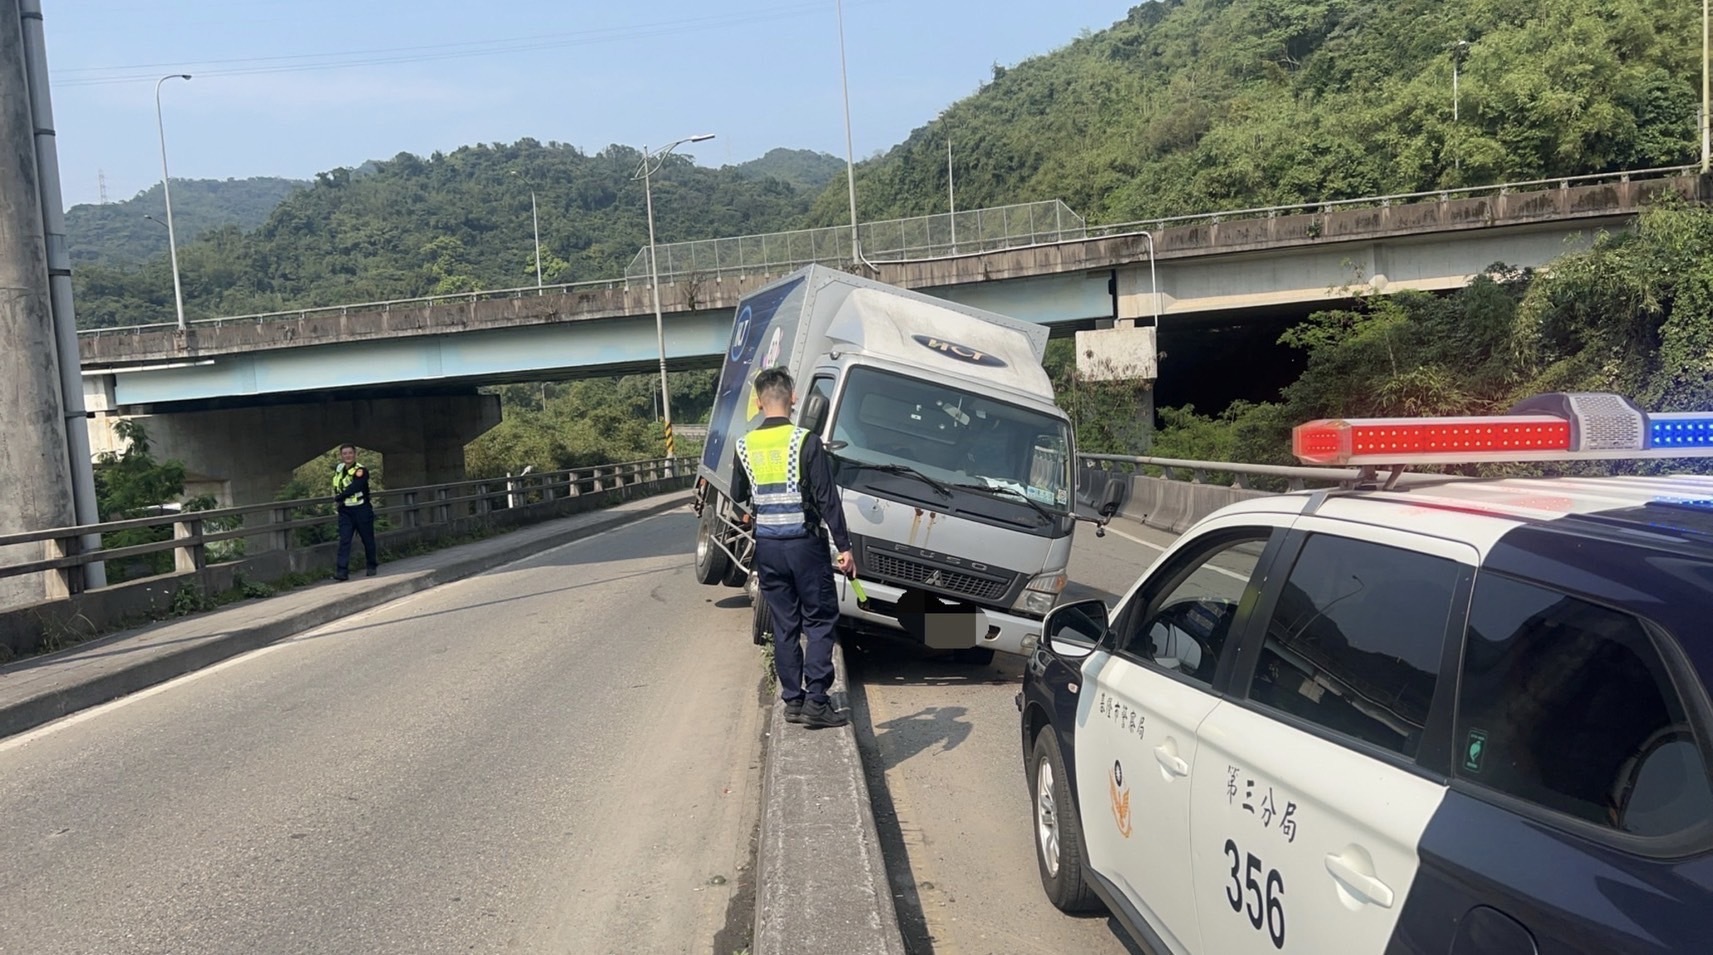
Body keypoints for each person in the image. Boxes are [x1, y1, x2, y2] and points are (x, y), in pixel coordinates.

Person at [731, 367, 856, 729]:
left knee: (785, 625)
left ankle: (793, 701)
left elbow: (740, 494)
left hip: (768, 548)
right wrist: (845, 547)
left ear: (758, 401)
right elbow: (827, 499)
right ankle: (817, 700)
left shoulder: (744, 444)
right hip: (805, 546)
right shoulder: (806, 441)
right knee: (818, 620)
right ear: (794, 397)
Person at [331, 444, 378, 581]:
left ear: (355, 454)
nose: (347, 456)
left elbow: (356, 486)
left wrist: (340, 496)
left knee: (367, 539)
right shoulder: (339, 468)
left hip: (361, 508)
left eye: (350, 453)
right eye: (344, 453)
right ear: (341, 455)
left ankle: (371, 565)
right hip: (345, 511)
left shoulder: (360, 470)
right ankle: (342, 571)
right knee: (344, 540)